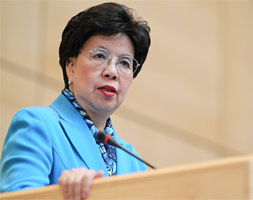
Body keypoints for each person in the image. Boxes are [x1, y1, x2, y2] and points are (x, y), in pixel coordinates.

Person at [0, 2, 151, 199]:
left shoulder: (133, 161)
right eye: (99, 55)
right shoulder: (37, 125)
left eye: (124, 62)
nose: (112, 72)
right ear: (70, 66)